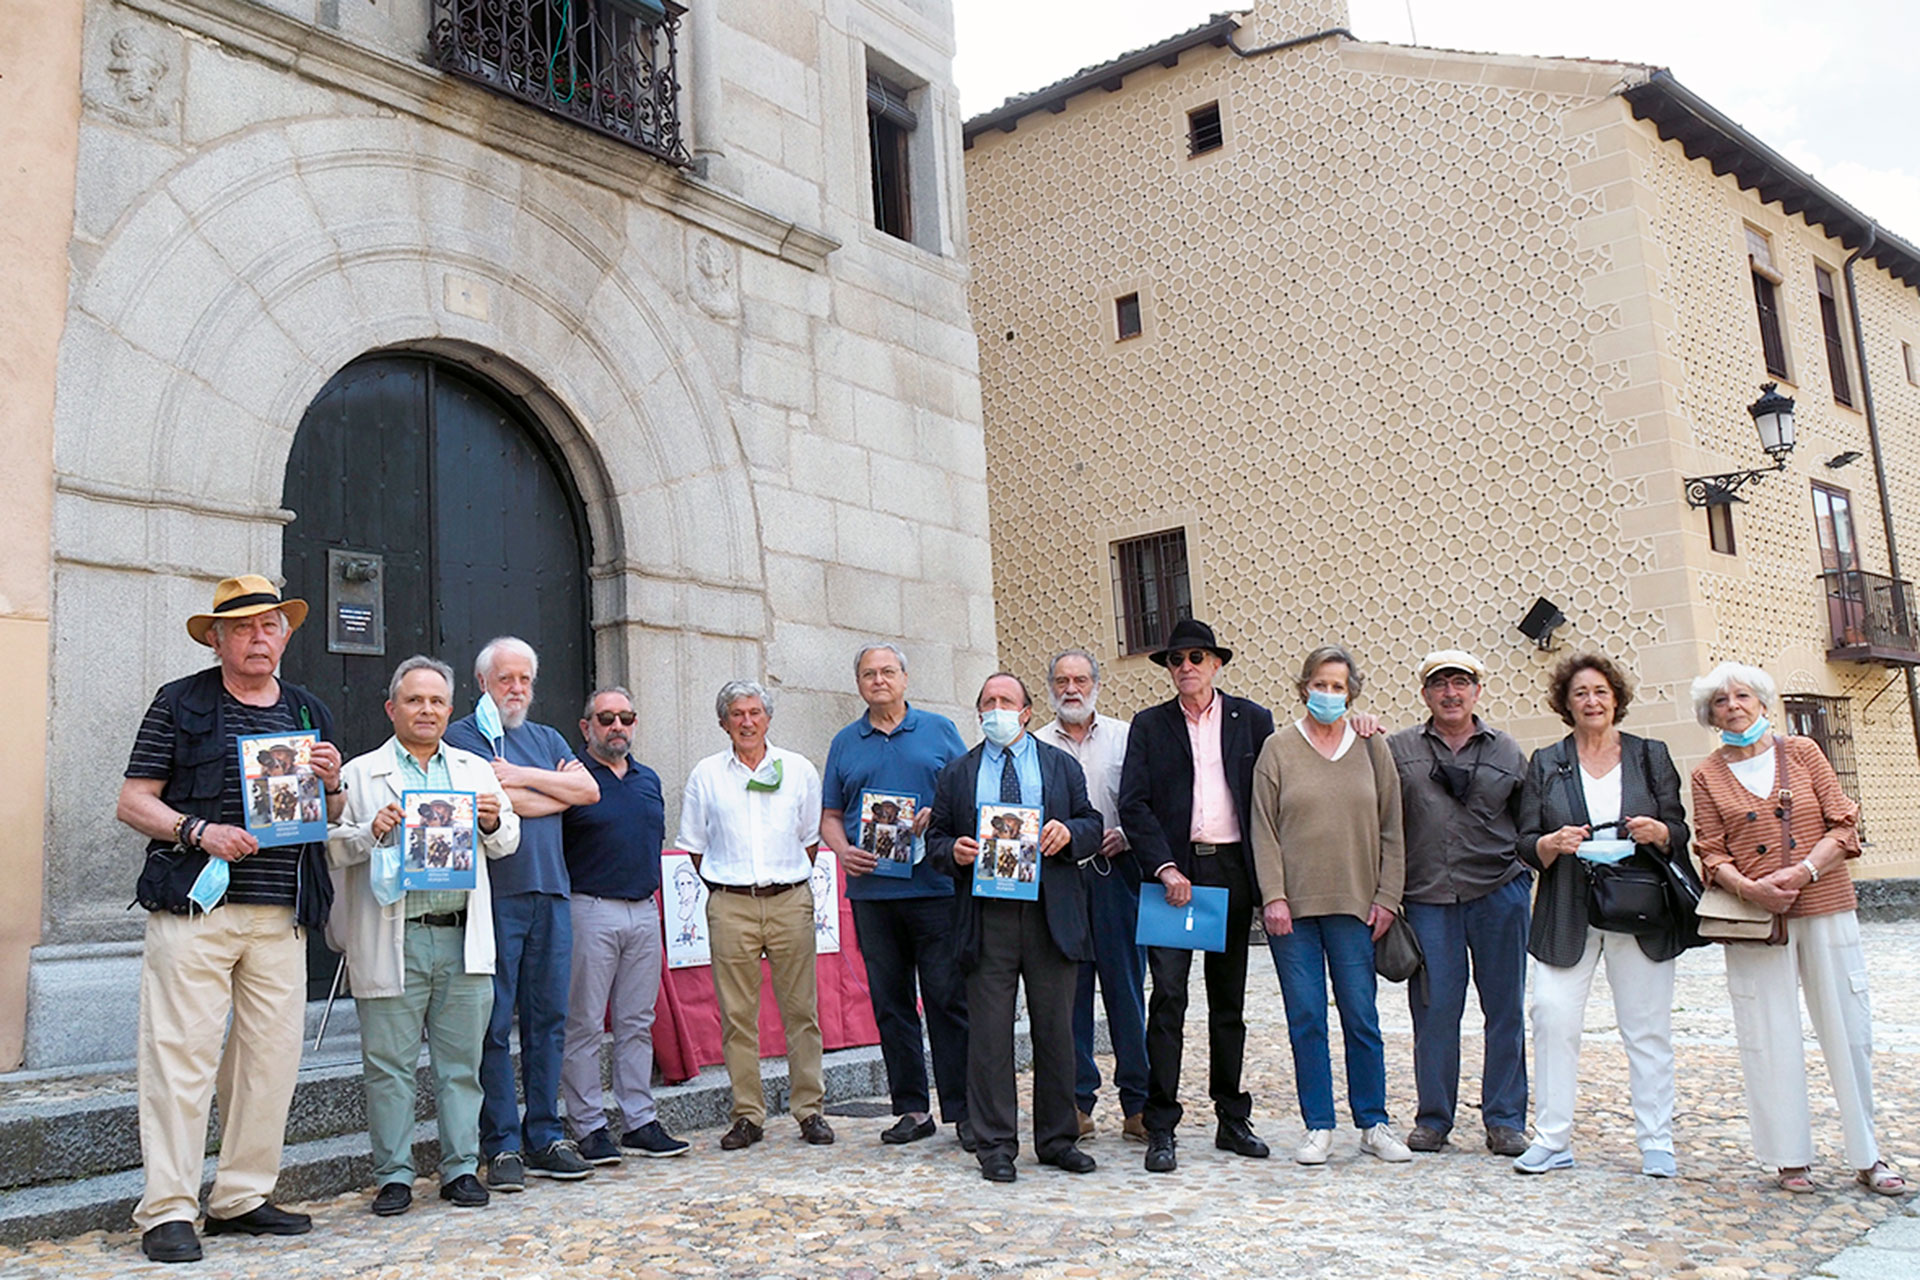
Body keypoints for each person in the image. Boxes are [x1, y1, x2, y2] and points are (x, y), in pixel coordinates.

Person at [117, 576, 344, 1264]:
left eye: (270, 626)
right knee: (179, 1060)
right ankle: (167, 1211)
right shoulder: (179, 701)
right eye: (242, 628)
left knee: (267, 1065)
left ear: (284, 635)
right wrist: (197, 831)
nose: (258, 638)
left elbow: (327, 818)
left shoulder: (307, 710)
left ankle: (241, 1197)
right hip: (196, 907)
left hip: (280, 914)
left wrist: (331, 783)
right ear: (216, 639)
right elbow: (133, 801)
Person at [1688, 662, 1906, 1197]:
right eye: (1720, 701)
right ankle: (1789, 1157)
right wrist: (1751, 888)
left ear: (1764, 702)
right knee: (1767, 1033)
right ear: (1710, 715)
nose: (1733, 705)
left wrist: (1803, 871)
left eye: (1743, 695)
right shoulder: (1706, 775)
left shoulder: (1803, 753)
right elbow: (1711, 852)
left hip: (1825, 903)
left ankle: (1868, 1154)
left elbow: (1843, 825)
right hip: (1756, 921)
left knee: (1847, 1028)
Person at [326, 656, 521, 1217]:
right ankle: (393, 1175)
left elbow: (508, 838)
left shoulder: (474, 769)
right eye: (414, 700)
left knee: (462, 1064)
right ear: (392, 708)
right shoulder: (361, 774)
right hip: (395, 935)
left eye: (436, 701)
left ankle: (461, 1167)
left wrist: (489, 822)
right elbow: (330, 846)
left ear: (450, 710)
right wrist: (371, 832)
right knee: (388, 1066)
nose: (426, 710)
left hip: (461, 936)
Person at [1513, 653, 1690, 1178]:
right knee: (1552, 1018)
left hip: (1638, 905)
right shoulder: (1546, 761)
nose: (1591, 701)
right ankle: (1551, 1139)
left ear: (1616, 699)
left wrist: (1659, 832)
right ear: (1566, 705)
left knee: (1647, 1028)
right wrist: (1551, 842)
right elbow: (1525, 843)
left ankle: (1656, 1141)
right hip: (1567, 905)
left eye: (1600, 692)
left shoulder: (1650, 755)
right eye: (1580, 694)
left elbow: (1678, 828)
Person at [926, 673, 1103, 1182]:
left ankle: (1057, 1139)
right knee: (988, 1036)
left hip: (1051, 913)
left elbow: (1091, 824)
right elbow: (936, 839)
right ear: (978, 712)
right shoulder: (959, 773)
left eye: (1006, 702)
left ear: (1026, 713)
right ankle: (996, 1144)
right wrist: (952, 852)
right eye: (988, 702)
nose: (996, 709)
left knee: (1056, 1032)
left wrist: (1069, 832)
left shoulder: (1060, 766)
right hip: (987, 916)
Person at [443, 637, 601, 1191]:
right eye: (505, 679)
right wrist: (548, 789)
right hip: (494, 898)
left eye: (524, 680)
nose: (516, 689)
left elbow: (587, 791)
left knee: (548, 1019)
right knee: (492, 1023)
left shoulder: (547, 736)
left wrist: (522, 778)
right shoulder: (463, 735)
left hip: (552, 892)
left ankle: (545, 1134)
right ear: (482, 682)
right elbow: (489, 802)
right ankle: (502, 1143)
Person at [1118, 618, 1274, 1173]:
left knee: (1228, 1002)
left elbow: (1271, 796)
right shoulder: (1150, 725)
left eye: (1196, 657)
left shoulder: (1253, 720)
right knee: (1168, 1000)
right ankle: (1160, 1124)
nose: (1186, 667)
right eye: (1176, 659)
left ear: (1216, 663)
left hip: (1231, 869)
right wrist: (1162, 865)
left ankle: (1233, 1117)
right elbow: (1133, 803)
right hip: (1174, 876)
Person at [1251, 645, 1409, 1166]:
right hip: (1292, 911)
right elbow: (1264, 830)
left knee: (1361, 1015)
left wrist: (1388, 895)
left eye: (1338, 686)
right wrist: (1273, 895)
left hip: (1357, 906)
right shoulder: (1277, 749)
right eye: (1320, 684)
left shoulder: (1371, 747)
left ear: (1351, 693)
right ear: (1304, 688)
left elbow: (1392, 827)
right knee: (1306, 1016)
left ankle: (1374, 1121)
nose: (1328, 694)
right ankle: (1318, 1123)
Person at [819, 644, 972, 1147]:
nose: (878, 680)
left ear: (905, 678)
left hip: (934, 888)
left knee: (947, 998)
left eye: (887, 672)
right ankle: (910, 1108)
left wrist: (937, 814)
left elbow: (966, 794)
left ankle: (963, 1109)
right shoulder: (845, 742)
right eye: (868, 673)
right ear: (858, 683)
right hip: (872, 893)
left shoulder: (939, 731)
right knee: (891, 1003)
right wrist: (842, 852)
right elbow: (831, 817)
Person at [1387, 650, 1530, 1157]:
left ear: (1477, 691)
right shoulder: (1396, 749)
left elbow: (1528, 823)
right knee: (1434, 1011)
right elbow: (1382, 820)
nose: (1451, 692)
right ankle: (1433, 1118)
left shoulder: (1508, 751)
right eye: (1440, 684)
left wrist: (1525, 878)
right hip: (1428, 899)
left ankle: (1506, 1118)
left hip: (1498, 893)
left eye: (1461, 683)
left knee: (1505, 1009)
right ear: (1425, 694)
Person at [677, 680, 831, 1150]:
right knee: (737, 1015)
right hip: (730, 903)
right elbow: (695, 848)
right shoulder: (706, 774)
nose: (747, 721)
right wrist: (732, 886)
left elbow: (811, 836)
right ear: (723, 721)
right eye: (737, 713)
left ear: (768, 718)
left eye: (755, 712)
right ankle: (748, 1114)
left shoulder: (799, 769)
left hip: (789, 898)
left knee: (801, 1011)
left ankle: (810, 1110)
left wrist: (778, 881)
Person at [558, 688, 689, 1164]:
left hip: (643, 910)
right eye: (606, 717)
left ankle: (639, 1119)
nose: (617, 726)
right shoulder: (570, 777)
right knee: (586, 1023)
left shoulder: (647, 779)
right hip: (590, 908)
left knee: (638, 1022)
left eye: (626, 717)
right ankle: (589, 1126)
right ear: (586, 725)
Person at [1035, 648, 1148, 1144]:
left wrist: (1125, 832)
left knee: (1126, 991)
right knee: (1069, 996)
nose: (1071, 689)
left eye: (1080, 679)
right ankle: (1078, 1102)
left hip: (1115, 874)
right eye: (1061, 681)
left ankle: (1138, 1105)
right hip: (1059, 880)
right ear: (1050, 689)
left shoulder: (1127, 738)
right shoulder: (1033, 744)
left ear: (1097, 684)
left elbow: (1148, 801)